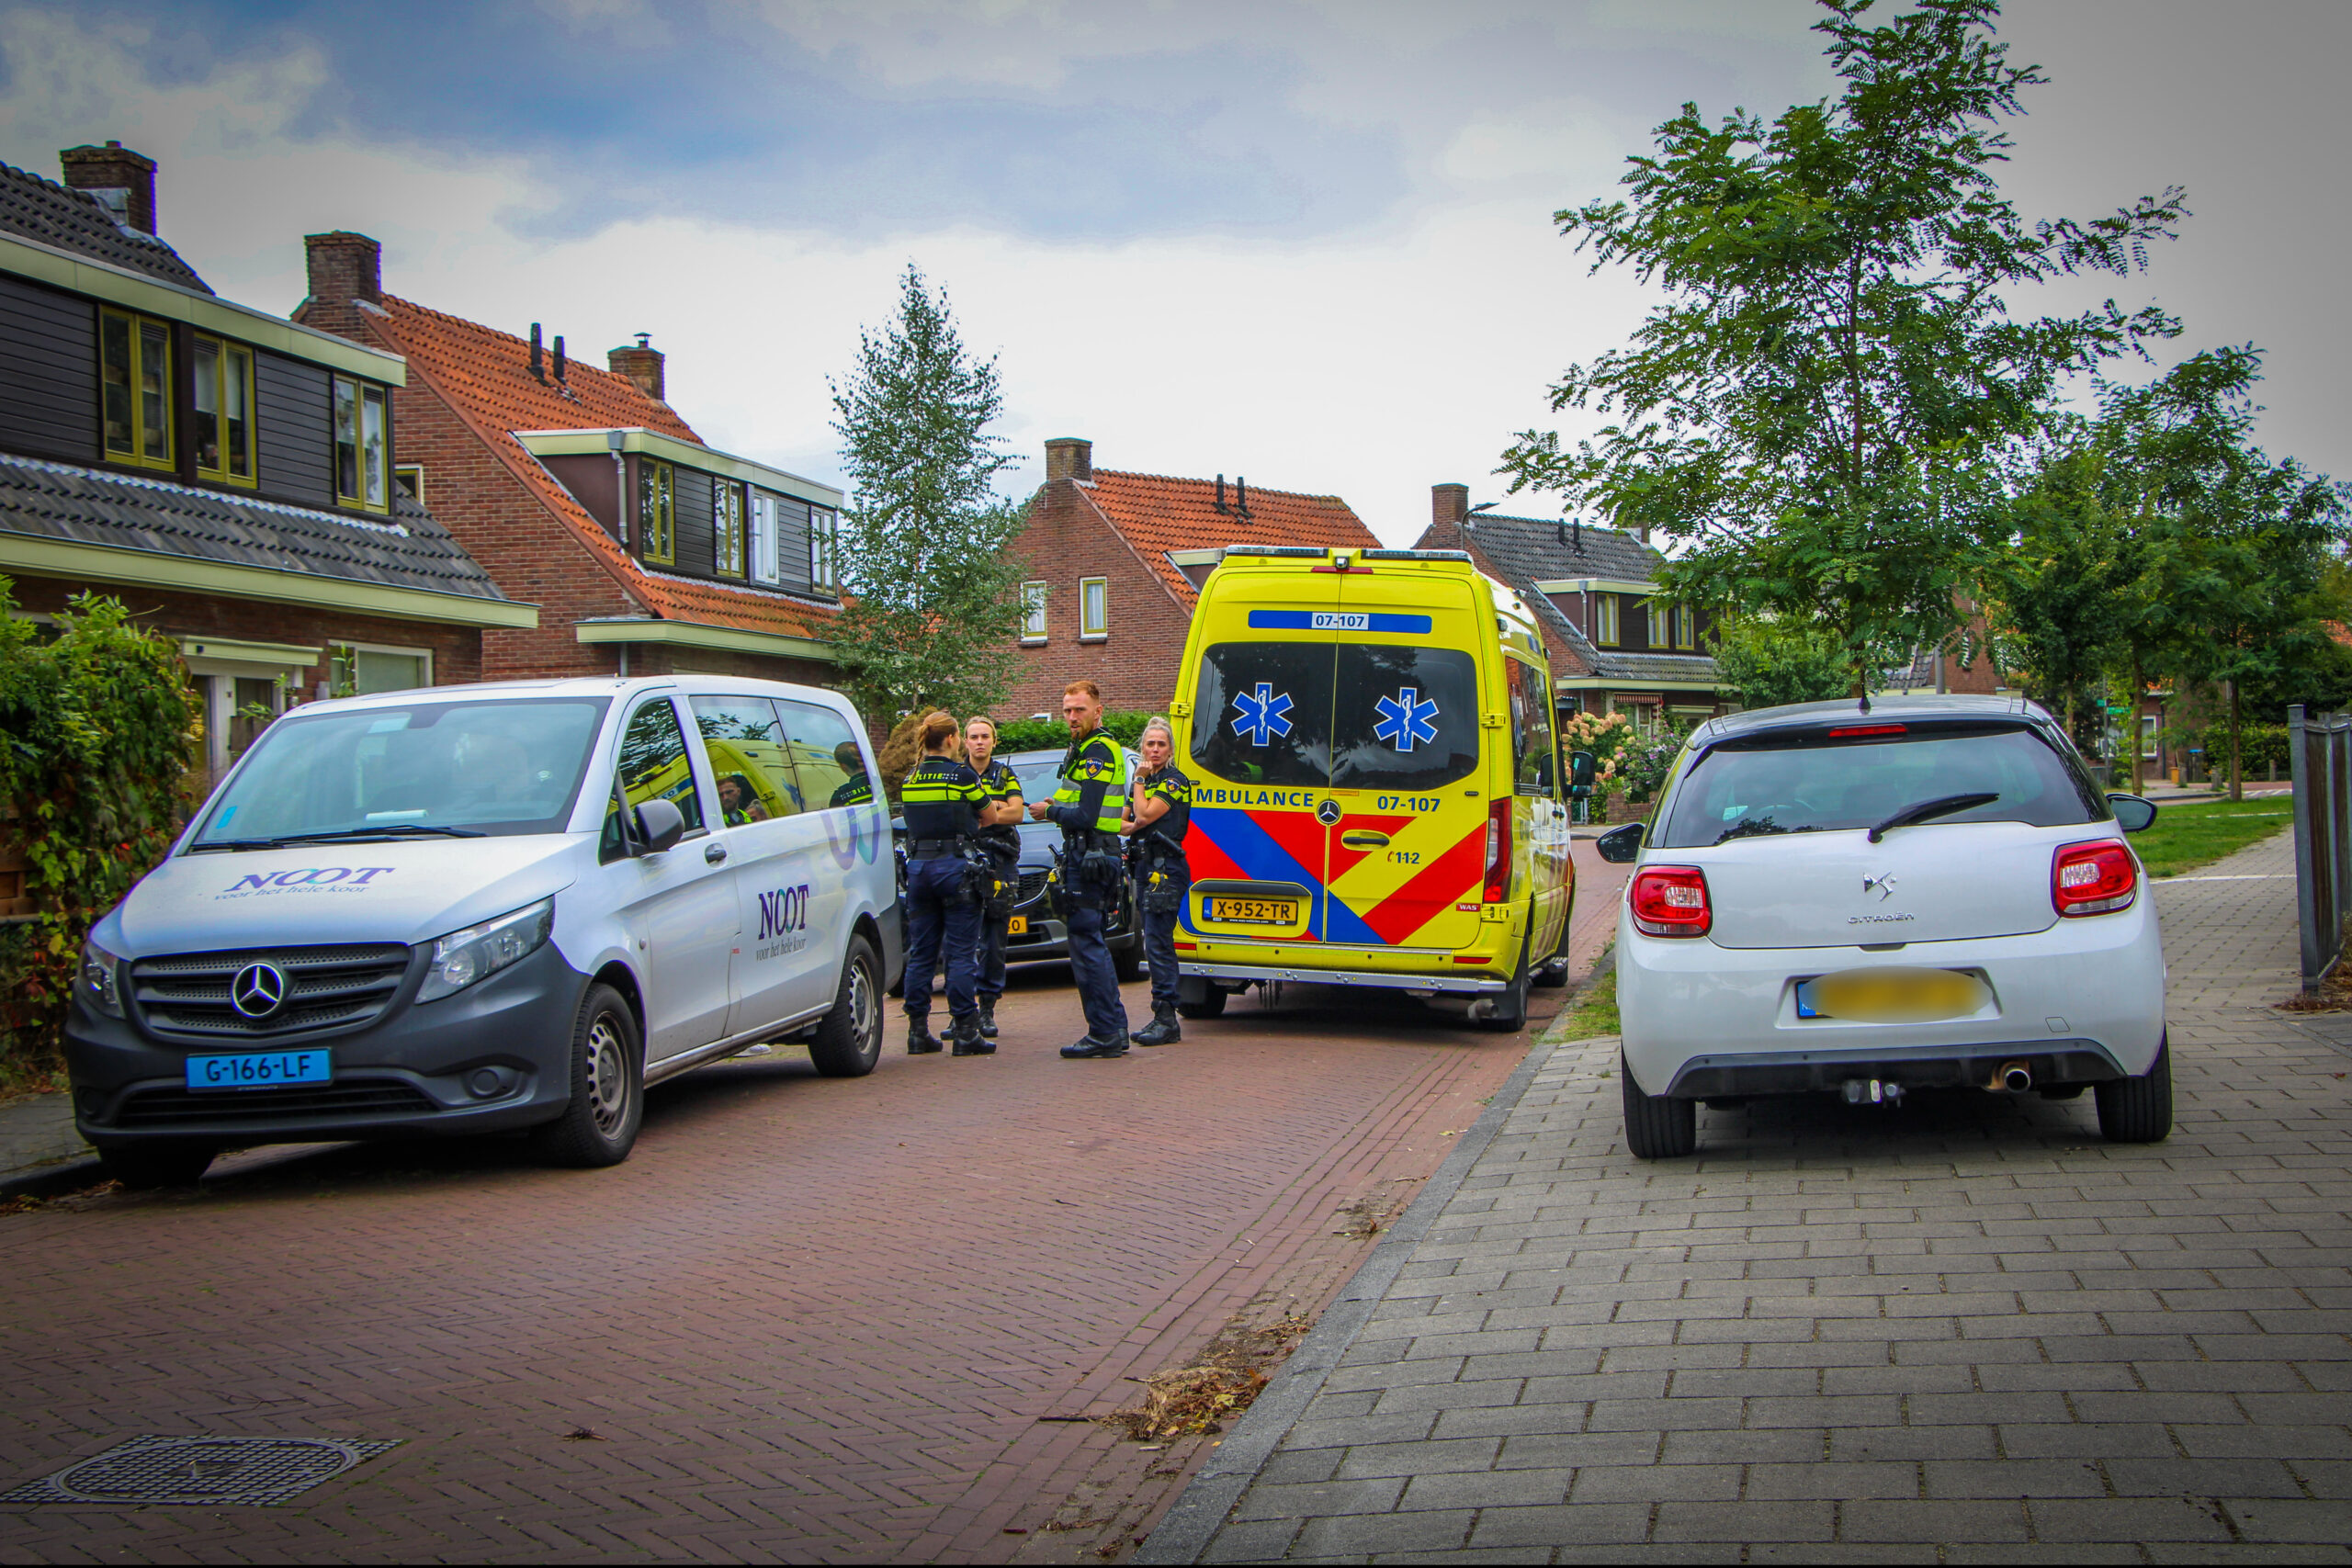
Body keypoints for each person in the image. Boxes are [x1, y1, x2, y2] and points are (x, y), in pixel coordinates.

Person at [1029, 680, 1131, 1058]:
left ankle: (1103, 1032)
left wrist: (1049, 811)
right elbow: (1084, 801)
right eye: (1068, 710)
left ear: (1098, 711)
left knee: (1086, 945)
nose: (1072, 717)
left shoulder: (1097, 751)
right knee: (1093, 944)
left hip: (1089, 857)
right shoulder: (1088, 748)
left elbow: (1087, 814)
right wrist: (1059, 801)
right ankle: (1114, 1029)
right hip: (1092, 854)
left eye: (1080, 710)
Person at [899, 713, 991, 1057]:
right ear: (953, 739)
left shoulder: (910, 779)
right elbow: (989, 816)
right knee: (961, 952)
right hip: (954, 867)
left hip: (919, 868)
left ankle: (917, 1031)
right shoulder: (962, 775)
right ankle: (967, 1030)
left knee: (922, 953)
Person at [1120, 716, 1193, 1045]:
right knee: (1152, 942)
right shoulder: (1145, 782)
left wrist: (1138, 782)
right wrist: (1137, 813)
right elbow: (1123, 823)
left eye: (1162, 744)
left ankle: (1167, 1019)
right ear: (1142, 747)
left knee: (1159, 944)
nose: (1155, 749)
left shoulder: (1175, 781)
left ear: (1171, 749)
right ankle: (1159, 1016)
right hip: (1143, 867)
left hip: (1166, 871)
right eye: (1150, 743)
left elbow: (1144, 815)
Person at [964, 715, 1025, 1041]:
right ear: (964, 741)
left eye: (985, 736)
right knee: (961, 939)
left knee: (993, 940)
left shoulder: (1005, 773)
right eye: (973, 736)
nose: (979, 742)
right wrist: (996, 808)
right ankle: (962, 1011)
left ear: (994, 741)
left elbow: (1018, 812)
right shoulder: (957, 773)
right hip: (964, 861)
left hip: (999, 861)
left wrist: (981, 814)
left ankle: (987, 1009)